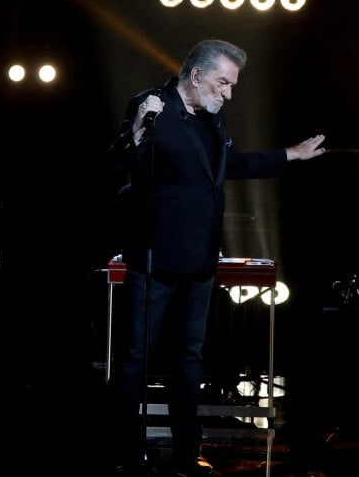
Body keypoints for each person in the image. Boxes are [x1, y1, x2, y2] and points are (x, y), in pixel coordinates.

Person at [105, 38, 326, 476]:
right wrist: (136, 130)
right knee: (136, 357)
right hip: (155, 254)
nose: (228, 93)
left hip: (200, 259)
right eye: (223, 83)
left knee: (189, 358)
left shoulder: (213, 120)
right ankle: (124, 454)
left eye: (232, 85)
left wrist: (290, 155)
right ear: (197, 75)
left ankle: (187, 454)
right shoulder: (151, 105)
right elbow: (118, 163)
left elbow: (233, 166)